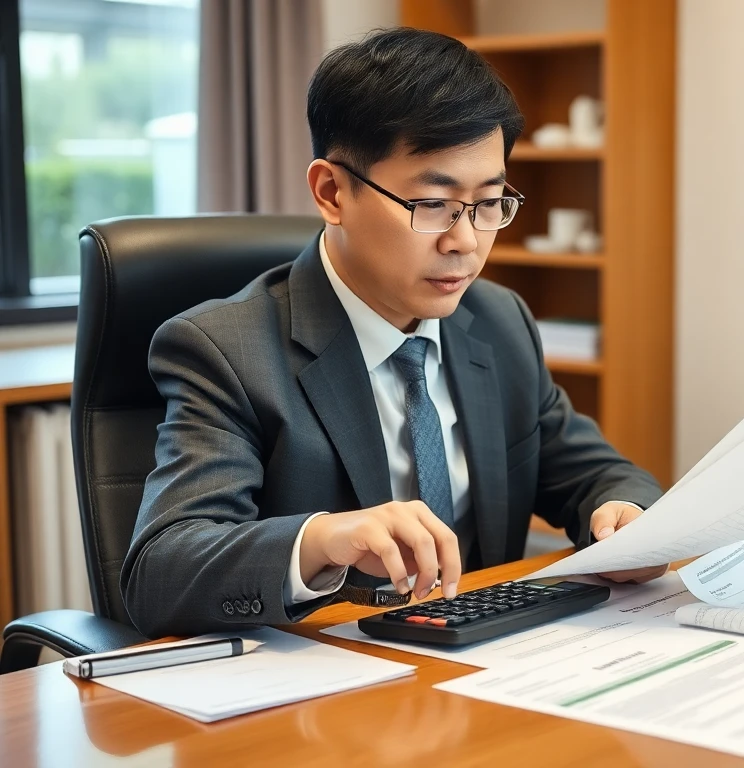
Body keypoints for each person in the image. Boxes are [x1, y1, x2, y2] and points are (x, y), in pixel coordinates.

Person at [121, 27, 665, 638]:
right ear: (332, 192)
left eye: (489, 203)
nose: (465, 241)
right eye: (432, 204)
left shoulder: (498, 320)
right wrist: (323, 539)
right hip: (324, 695)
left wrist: (624, 513)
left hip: (490, 671)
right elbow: (160, 572)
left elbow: (593, 474)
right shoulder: (224, 350)